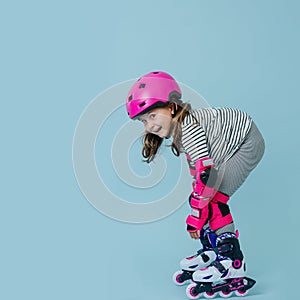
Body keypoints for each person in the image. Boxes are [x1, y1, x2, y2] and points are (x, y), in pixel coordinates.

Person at [126, 71, 265, 296]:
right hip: (231, 146)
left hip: (246, 142)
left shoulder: (189, 130)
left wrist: (196, 217)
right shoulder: (181, 131)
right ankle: (213, 250)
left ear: (171, 107)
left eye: (152, 115)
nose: (149, 125)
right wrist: (198, 204)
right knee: (204, 197)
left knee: (216, 200)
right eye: (143, 120)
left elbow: (206, 175)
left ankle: (232, 263)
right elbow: (198, 171)